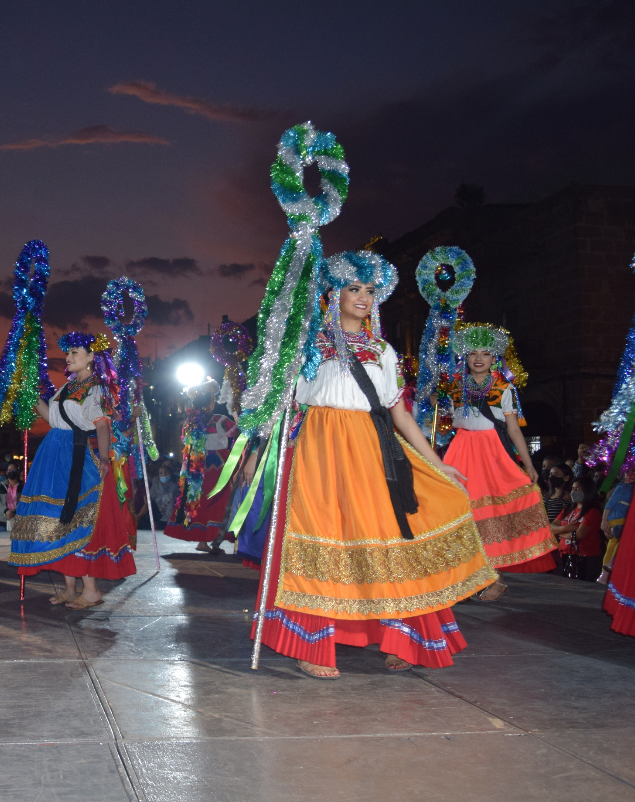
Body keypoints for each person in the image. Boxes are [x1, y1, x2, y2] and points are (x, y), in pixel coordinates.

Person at [254, 251, 495, 679]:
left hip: (370, 451)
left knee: (386, 537)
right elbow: (284, 402)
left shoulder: (381, 350)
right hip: (317, 451)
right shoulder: (307, 346)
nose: (363, 297)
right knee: (324, 536)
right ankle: (313, 645)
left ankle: (401, 637)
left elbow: (399, 414)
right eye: (354, 288)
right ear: (334, 293)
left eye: (370, 290)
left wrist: (436, 463)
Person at [441, 323, 556, 601]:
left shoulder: (504, 387)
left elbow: (514, 429)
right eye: (472, 353)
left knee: (492, 510)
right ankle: (466, 576)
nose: (478, 358)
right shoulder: (453, 387)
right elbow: (444, 423)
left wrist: (528, 464)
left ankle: (497, 577)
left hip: (491, 453)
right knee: (461, 510)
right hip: (461, 449)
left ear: (495, 358)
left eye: (485, 353)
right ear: (465, 358)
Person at [9, 332, 119, 609]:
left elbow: (102, 424)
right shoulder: (67, 388)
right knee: (58, 519)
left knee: (73, 516)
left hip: (76, 454)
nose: (68, 358)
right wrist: (31, 396)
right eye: (67, 353)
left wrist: (104, 458)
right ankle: (70, 588)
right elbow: (52, 419)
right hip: (54, 453)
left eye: (74, 353)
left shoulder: (97, 389)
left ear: (92, 357)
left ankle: (90, 590)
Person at [164, 380, 237, 554]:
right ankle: (216, 541)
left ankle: (202, 541)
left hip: (197, 463)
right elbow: (238, 435)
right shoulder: (220, 420)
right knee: (222, 499)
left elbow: (184, 443)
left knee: (198, 500)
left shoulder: (191, 423)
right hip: (219, 463)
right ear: (211, 402)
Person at [553, 477, 604, 580]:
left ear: (587, 491)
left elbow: (579, 535)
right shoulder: (568, 509)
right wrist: (567, 528)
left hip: (585, 558)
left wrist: (560, 532)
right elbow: (552, 526)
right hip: (565, 555)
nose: (573, 492)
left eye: (578, 489)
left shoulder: (593, 511)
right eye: (573, 489)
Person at [599, 472, 631, 586]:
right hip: (617, 521)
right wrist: (604, 521)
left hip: (626, 522)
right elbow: (609, 505)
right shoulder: (623, 487)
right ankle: (605, 573)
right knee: (613, 547)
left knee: (615, 547)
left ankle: (608, 574)